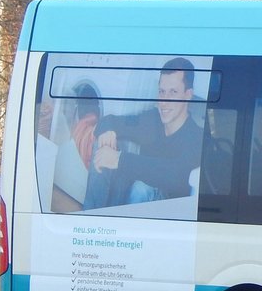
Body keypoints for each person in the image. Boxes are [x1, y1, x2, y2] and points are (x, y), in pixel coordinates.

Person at [83, 58, 202, 209]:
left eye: (173, 92)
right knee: (105, 146)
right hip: (134, 201)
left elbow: (177, 176)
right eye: (161, 91)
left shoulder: (196, 136)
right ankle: (91, 217)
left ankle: (124, 229)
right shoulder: (152, 120)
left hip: (169, 213)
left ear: (188, 94)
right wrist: (108, 131)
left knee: (142, 187)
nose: (164, 101)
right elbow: (110, 121)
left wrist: (119, 159)